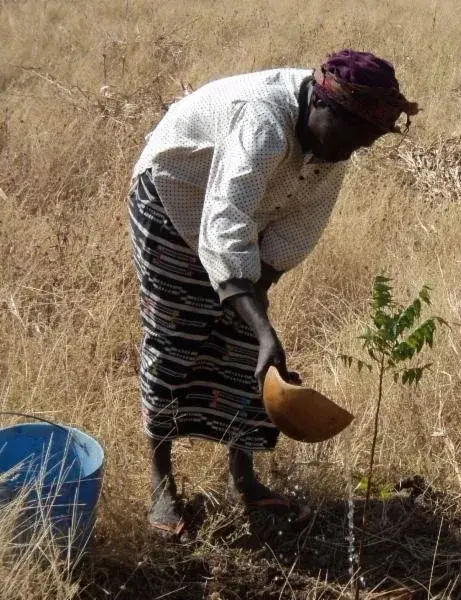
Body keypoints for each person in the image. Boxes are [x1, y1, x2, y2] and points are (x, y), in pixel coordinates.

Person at [127, 49, 419, 541]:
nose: (350, 153)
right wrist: (263, 327)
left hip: (243, 218)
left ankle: (243, 476)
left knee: (246, 352)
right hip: (175, 200)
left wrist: (255, 323)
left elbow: (297, 227)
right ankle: (161, 481)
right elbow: (223, 226)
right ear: (321, 107)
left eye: (362, 146)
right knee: (174, 341)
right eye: (349, 139)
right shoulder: (263, 119)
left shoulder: (336, 139)